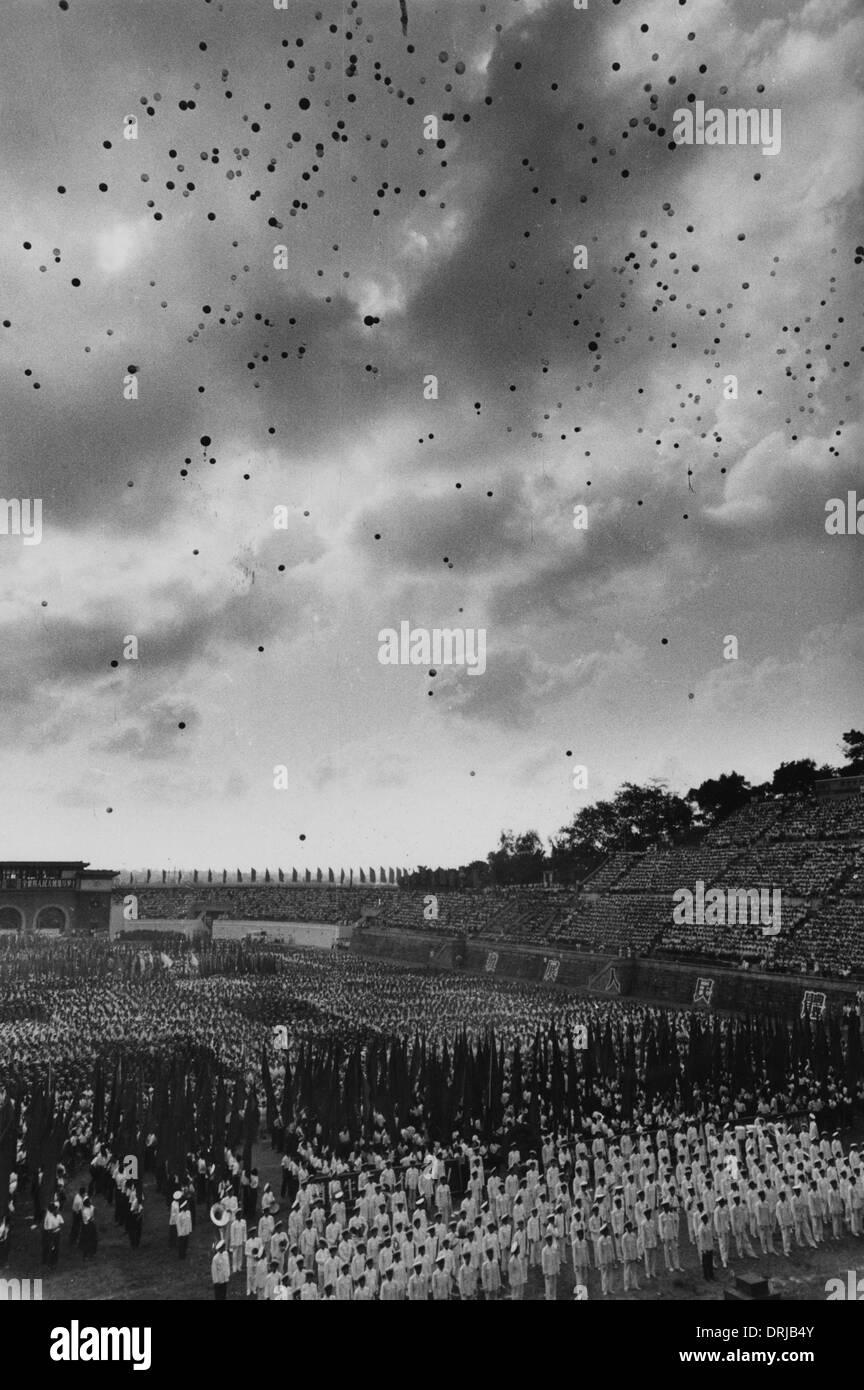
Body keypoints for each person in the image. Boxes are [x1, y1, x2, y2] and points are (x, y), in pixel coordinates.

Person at [697, 1212, 714, 1281]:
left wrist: (711, 1246)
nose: (706, 1219)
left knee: (710, 1262)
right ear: (702, 1219)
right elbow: (702, 1240)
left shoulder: (708, 1225)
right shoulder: (701, 1228)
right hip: (705, 1248)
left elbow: (710, 1237)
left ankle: (711, 1275)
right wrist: (704, 1249)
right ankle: (706, 1276)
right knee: (705, 1263)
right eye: (705, 1218)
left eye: (707, 1218)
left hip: (710, 1246)